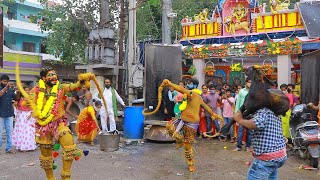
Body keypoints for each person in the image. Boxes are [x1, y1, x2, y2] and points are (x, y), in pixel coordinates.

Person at [16, 67, 96, 180]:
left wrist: (81, 81)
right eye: (50, 75)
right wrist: (28, 101)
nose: (54, 76)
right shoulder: (37, 90)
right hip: (43, 126)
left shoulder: (61, 88)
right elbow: (29, 99)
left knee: (69, 143)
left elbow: (74, 86)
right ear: (43, 78)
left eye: (54, 74)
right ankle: (50, 178)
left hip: (59, 122)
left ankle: (66, 174)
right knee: (46, 155)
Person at [143, 78, 223, 172]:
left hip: (192, 124)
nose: (188, 85)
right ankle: (179, 140)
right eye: (188, 84)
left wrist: (214, 114)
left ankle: (191, 163)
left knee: (187, 146)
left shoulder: (194, 95)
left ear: (194, 85)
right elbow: (181, 90)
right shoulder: (189, 94)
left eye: (190, 84)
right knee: (170, 126)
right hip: (182, 118)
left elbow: (205, 106)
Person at [233, 108, 287, 179]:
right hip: (279, 155)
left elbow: (257, 124)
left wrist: (240, 120)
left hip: (267, 158)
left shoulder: (262, 109)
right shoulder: (275, 110)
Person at [12, 86, 37, 152]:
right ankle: (22, 146)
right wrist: (15, 105)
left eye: (28, 90)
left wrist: (31, 114)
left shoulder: (31, 98)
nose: (27, 91)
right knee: (22, 131)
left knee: (29, 131)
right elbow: (16, 107)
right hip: (21, 117)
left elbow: (35, 108)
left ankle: (29, 146)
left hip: (29, 116)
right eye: (25, 90)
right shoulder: (20, 98)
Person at [0, 75, 20, 154]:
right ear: (0, 81)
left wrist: (18, 92)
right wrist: (5, 88)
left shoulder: (11, 90)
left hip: (9, 114)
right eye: (4, 81)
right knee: (0, 133)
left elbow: (16, 99)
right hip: (0, 114)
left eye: (7, 81)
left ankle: (8, 148)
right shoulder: (2, 89)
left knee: (9, 132)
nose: (6, 83)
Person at [233, 77, 253, 152]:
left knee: (250, 131)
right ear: (246, 82)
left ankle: (248, 146)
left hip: (251, 114)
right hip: (242, 114)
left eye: (251, 82)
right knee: (240, 130)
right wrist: (236, 113)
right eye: (249, 82)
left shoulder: (253, 91)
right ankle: (238, 146)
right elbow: (238, 103)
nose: (250, 84)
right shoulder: (241, 91)